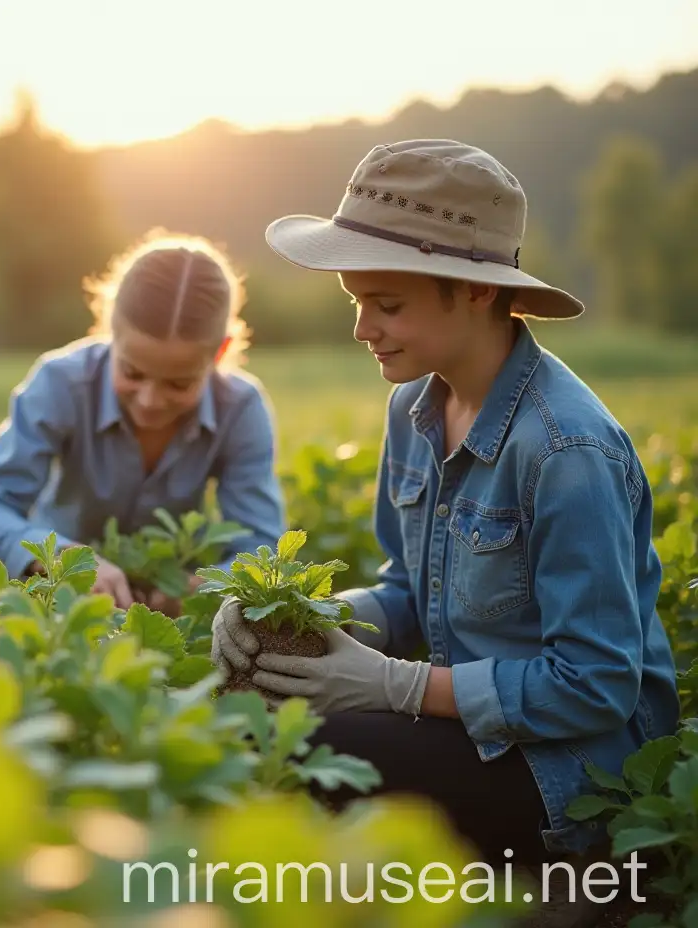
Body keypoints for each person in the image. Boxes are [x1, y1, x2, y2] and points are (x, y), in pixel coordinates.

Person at [211, 139, 680, 866]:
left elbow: (595, 689)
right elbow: (409, 589)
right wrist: (289, 619)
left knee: (306, 749)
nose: (363, 328)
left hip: (572, 772)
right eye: (357, 302)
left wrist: (392, 685)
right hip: (466, 724)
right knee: (243, 714)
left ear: (477, 290)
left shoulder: (566, 450)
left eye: (387, 305)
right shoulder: (414, 409)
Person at [0, 230, 287, 615]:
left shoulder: (240, 408)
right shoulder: (62, 383)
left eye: (179, 383)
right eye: (132, 373)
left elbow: (262, 546)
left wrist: (200, 588)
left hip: (167, 608)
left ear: (220, 351)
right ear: (111, 328)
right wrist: (61, 560)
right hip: (53, 600)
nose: (150, 400)